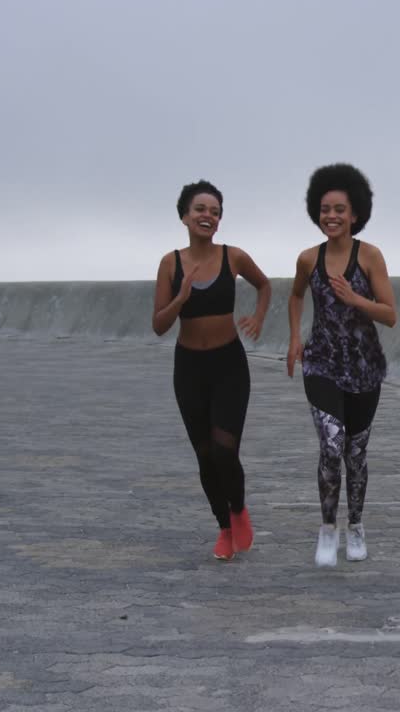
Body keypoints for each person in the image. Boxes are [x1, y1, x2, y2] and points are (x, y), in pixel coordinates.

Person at [152, 179, 271, 561]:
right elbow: (159, 324)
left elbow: (264, 285)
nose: (208, 216)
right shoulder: (169, 263)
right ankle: (224, 527)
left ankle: (238, 509)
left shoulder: (232, 256)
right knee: (204, 454)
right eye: (201, 209)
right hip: (189, 368)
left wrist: (258, 316)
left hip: (228, 365)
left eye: (215, 211)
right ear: (185, 216)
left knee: (224, 450)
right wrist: (182, 298)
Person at [287, 163, 397, 567]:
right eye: (324, 208)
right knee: (330, 446)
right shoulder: (306, 259)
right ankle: (327, 529)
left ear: (355, 214)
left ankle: (357, 528)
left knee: (355, 453)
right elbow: (296, 296)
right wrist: (297, 338)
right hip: (321, 364)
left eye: (339, 209)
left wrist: (355, 300)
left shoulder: (369, 257)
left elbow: (389, 314)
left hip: (365, 367)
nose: (331, 216)